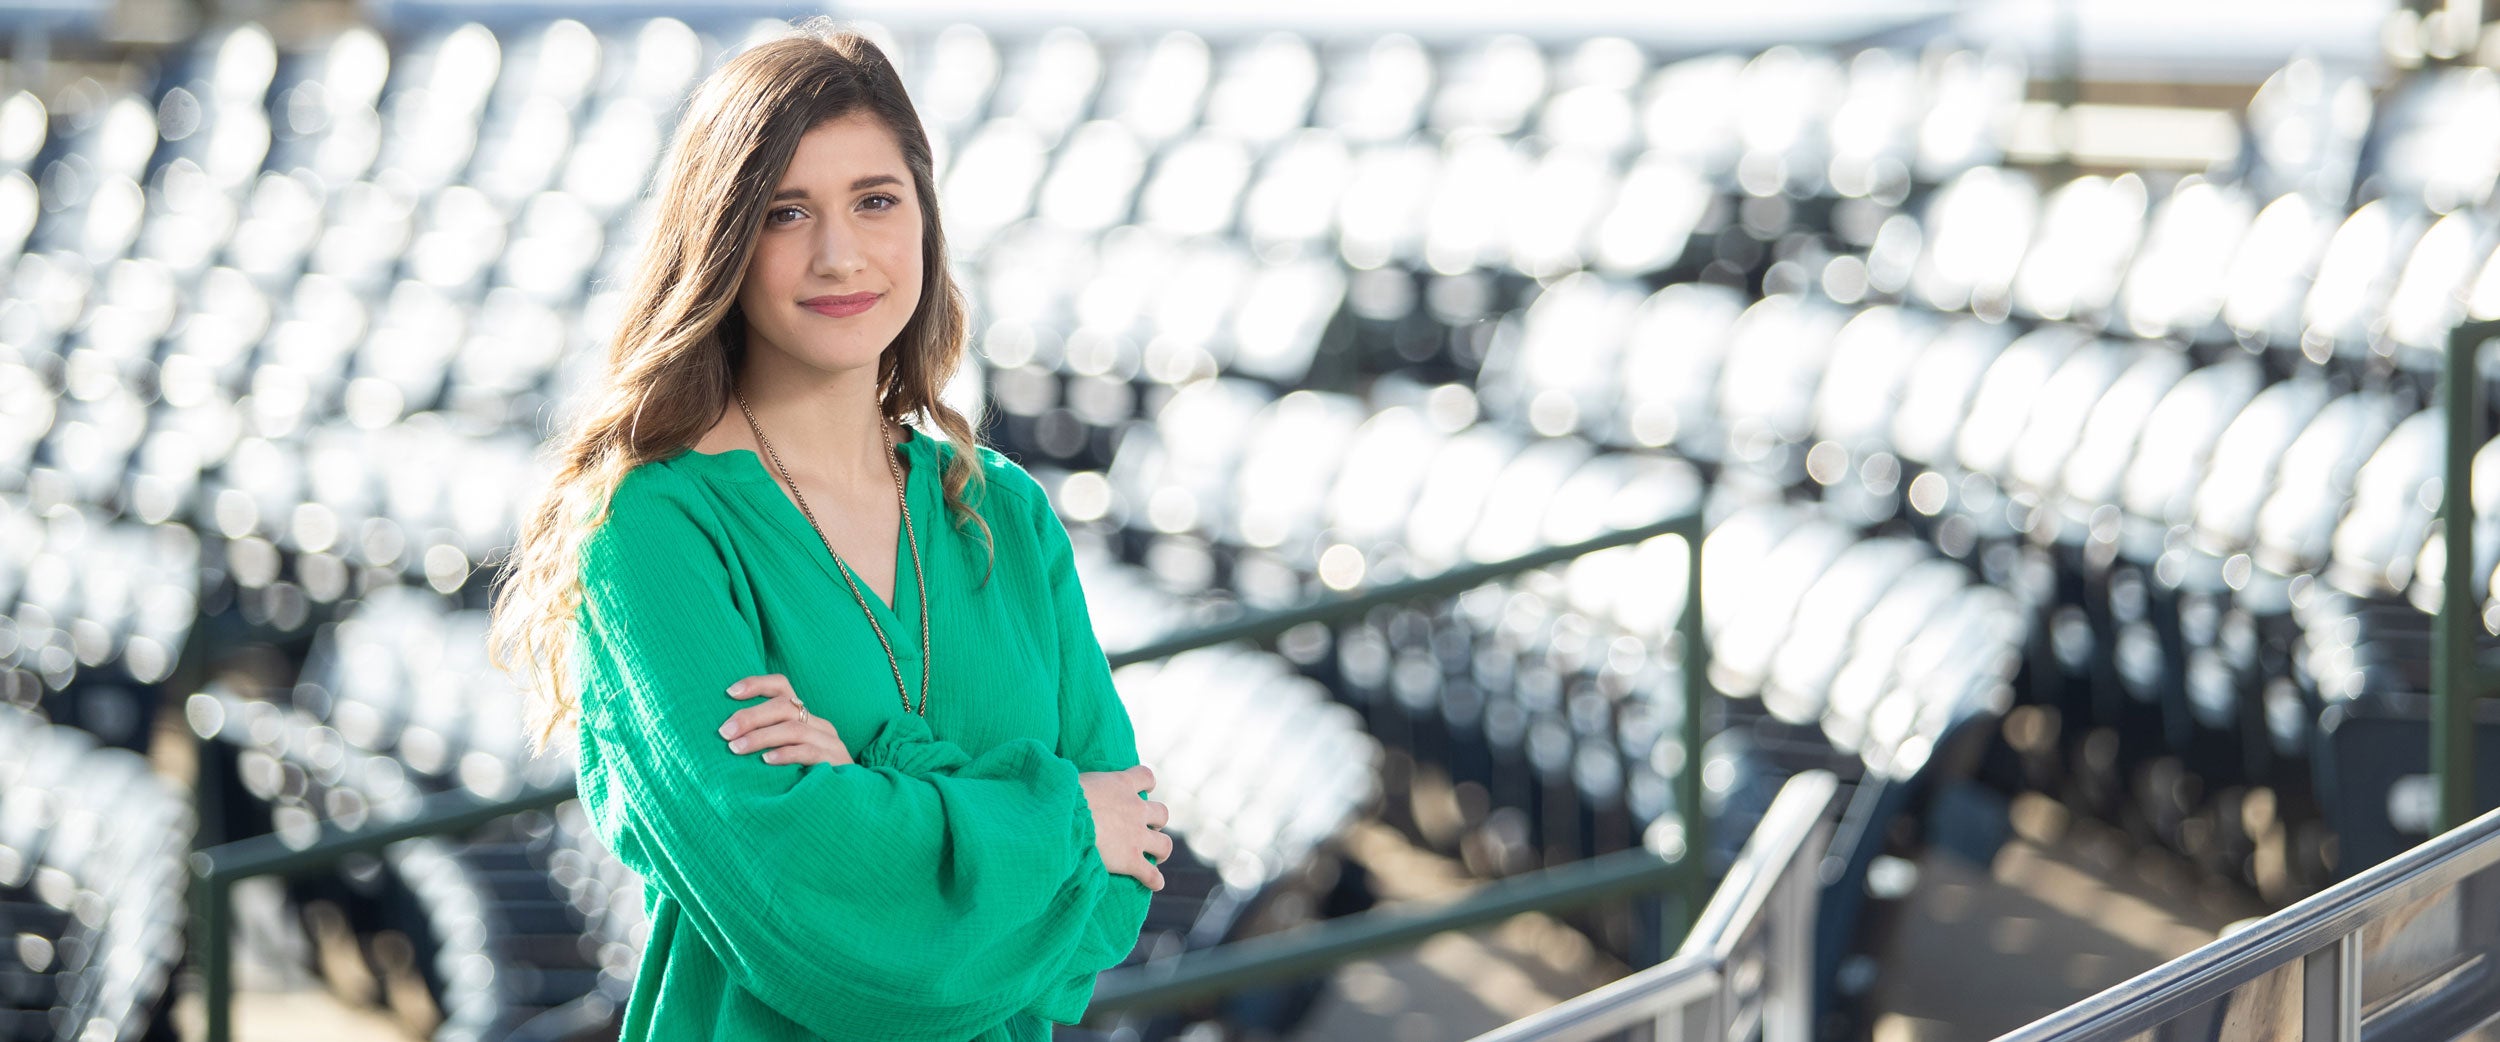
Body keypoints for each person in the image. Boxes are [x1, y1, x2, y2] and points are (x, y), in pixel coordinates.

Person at [485, 18, 1169, 1041]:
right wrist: (1062, 826)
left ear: (925, 223)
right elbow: (798, 908)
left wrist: (865, 796)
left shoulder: (1008, 518)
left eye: (875, 201)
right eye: (785, 212)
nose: (839, 253)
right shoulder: (655, 531)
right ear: (721, 239)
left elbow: (1126, 882)